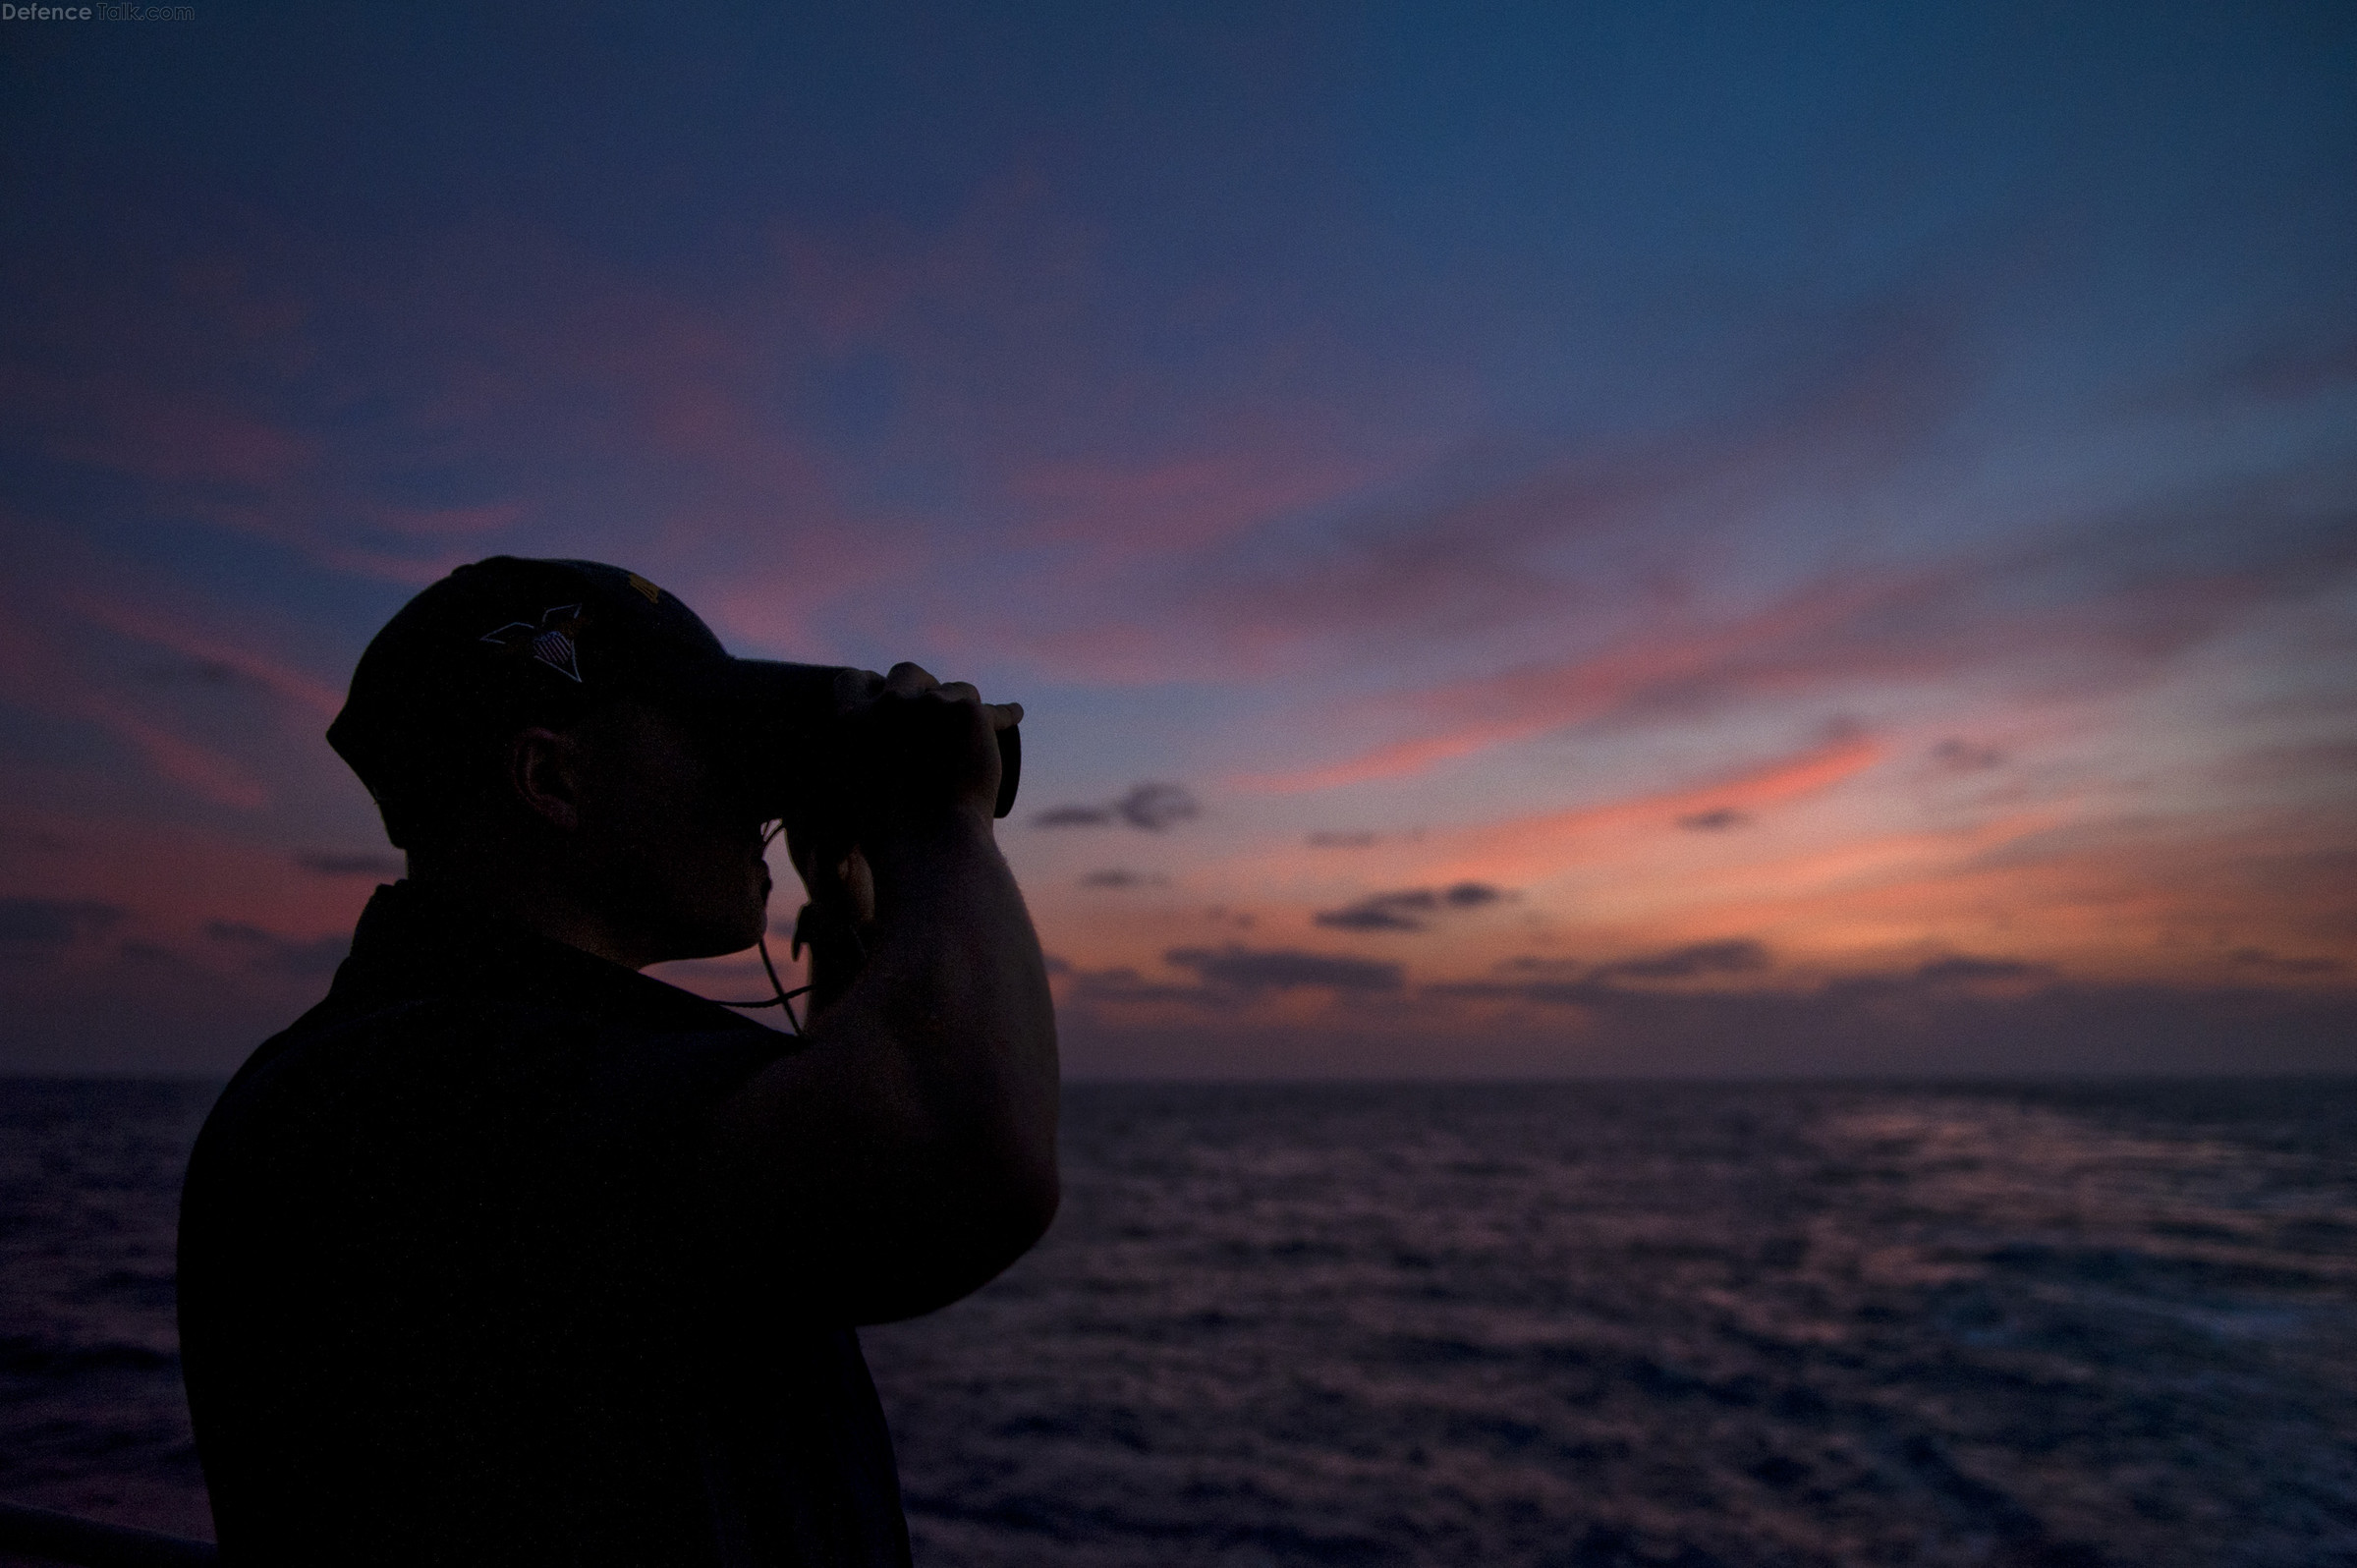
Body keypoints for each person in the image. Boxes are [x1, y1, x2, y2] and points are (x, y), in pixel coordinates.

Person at [176, 557, 1059, 1566]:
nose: (751, 794)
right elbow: (960, 1154)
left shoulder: (426, 1059)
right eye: (710, 739)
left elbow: (802, 1175)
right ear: (552, 779)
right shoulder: (417, 1090)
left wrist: (850, 921)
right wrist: (938, 821)